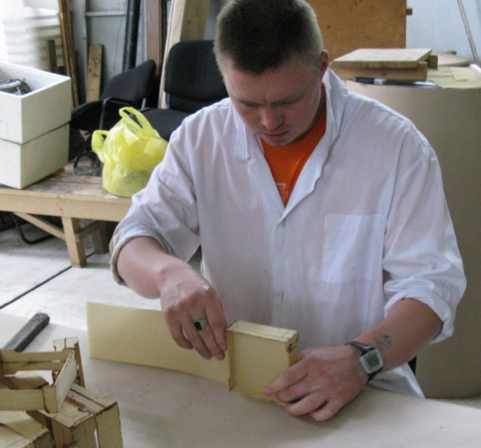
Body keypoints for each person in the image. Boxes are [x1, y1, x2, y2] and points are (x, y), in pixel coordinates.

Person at [110, 0, 466, 422]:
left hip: (362, 387)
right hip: (238, 379)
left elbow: (431, 287)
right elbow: (134, 236)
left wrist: (361, 359)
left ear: (321, 68)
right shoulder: (201, 138)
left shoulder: (395, 147)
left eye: (288, 101)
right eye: (246, 103)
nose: (269, 122)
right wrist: (167, 274)